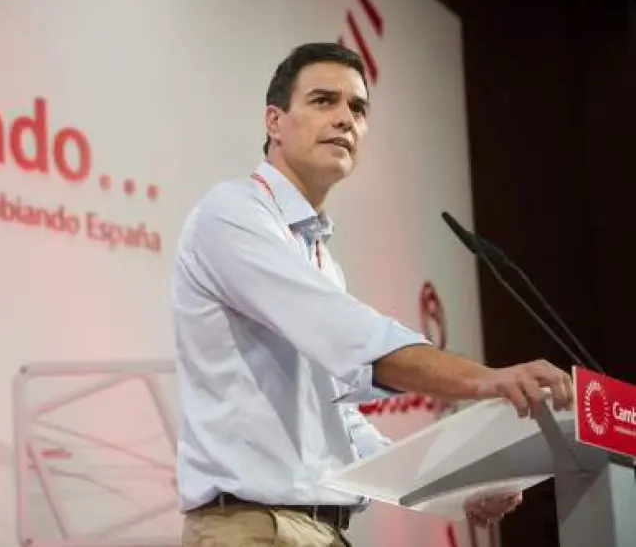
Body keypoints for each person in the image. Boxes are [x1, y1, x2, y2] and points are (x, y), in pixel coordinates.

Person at [170, 42, 573, 547]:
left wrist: (456, 487)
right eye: (324, 100)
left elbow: (339, 423)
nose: (346, 119)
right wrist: (487, 380)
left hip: (323, 529)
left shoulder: (319, 256)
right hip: (253, 528)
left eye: (358, 108)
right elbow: (352, 337)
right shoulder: (232, 213)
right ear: (274, 121)